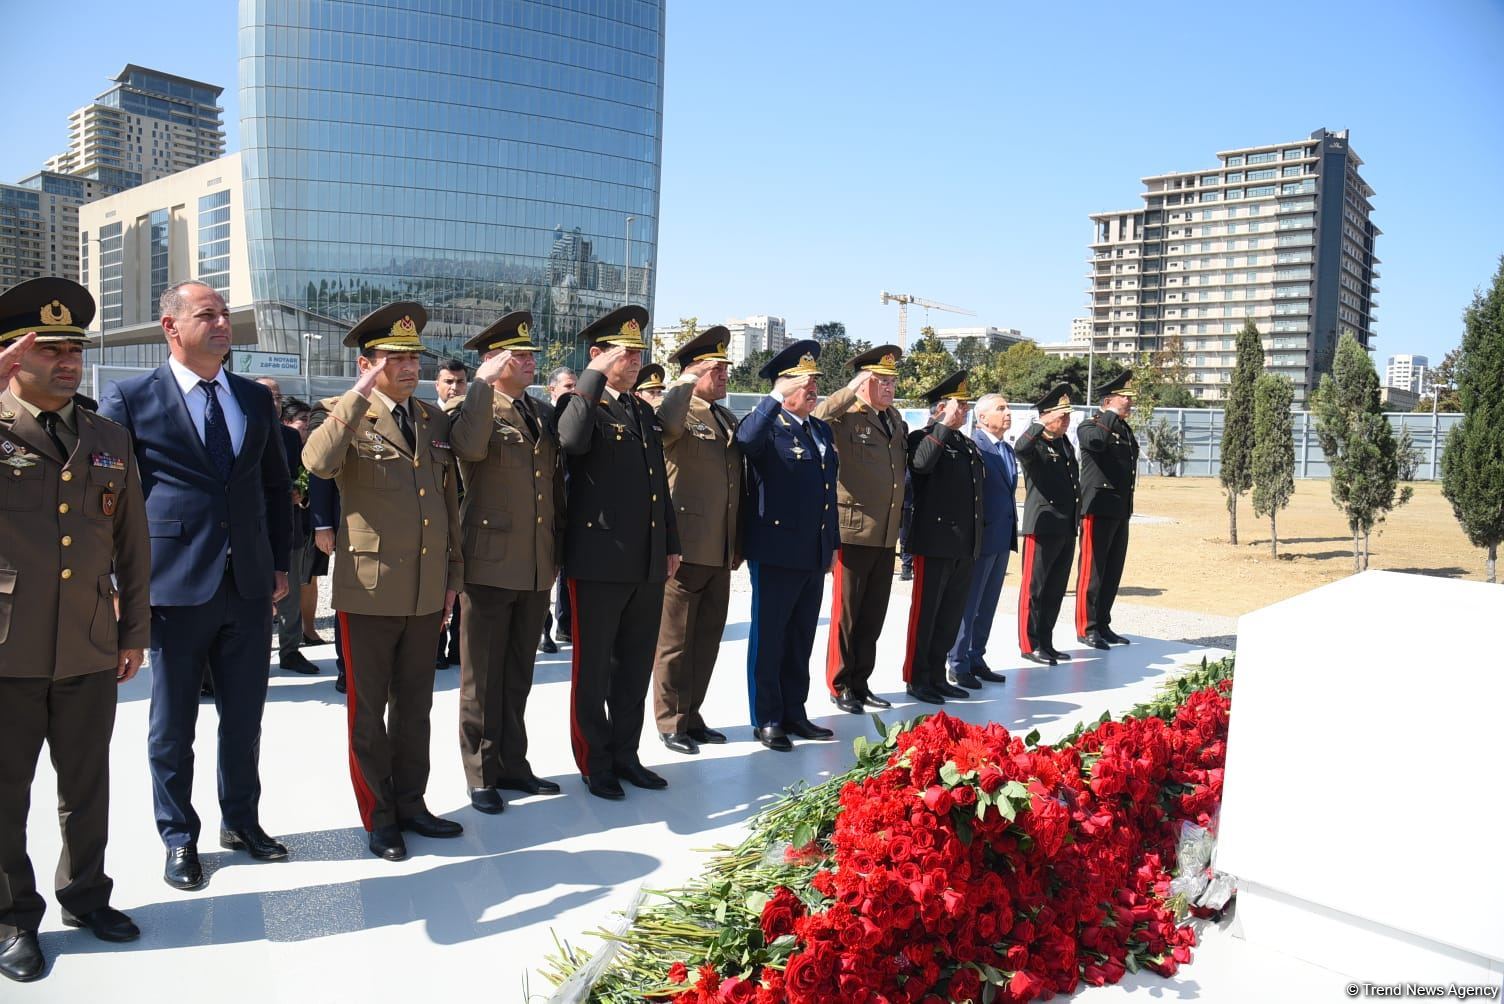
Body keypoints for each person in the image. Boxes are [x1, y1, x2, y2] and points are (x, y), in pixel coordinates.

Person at [98, 279, 292, 892]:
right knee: (173, 721)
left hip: (249, 583)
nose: (221, 324)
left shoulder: (252, 400)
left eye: (224, 315)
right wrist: (117, 580)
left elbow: (272, 487)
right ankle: (179, 836)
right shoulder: (130, 398)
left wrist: (279, 563)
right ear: (170, 327)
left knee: (245, 715)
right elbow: (108, 499)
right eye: (206, 315)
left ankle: (241, 821)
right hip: (174, 584)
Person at [0, 280, 150, 982]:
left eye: (75, 349)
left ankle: (85, 896)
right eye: (50, 349)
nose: (67, 361)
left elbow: (132, 545)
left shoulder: (107, 434)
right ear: (13, 354)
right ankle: (11, 920)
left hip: (90, 641)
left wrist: (134, 634)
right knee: (5, 795)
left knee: (86, 786)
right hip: (7, 648)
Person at [302, 302, 465, 861]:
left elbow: (447, 503)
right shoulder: (342, 414)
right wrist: (357, 395)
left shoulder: (430, 419)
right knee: (368, 709)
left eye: (414, 355)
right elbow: (318, 463)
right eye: (395, 357)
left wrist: (453, 577)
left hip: (424, 588)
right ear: (368, 363)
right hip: (368, 590)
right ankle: (379, 814)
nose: (409, 365)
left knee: (416, 704)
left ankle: (412, 802)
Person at [556, 305, 680, 800]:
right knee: (593, 670)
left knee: (633, 666)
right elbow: (571, 441)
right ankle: (596, 760)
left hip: (645, 560)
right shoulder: (578, 403)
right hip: (599, 560)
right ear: (598, 356)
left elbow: (659, 487)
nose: (634, 362)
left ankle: (627, 754)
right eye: (625, 354)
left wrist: (670, 543)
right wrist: (592, 377)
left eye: (636, 353)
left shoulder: (640, 410)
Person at [447, 311, 564, 811]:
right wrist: (479, 385)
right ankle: (480, 773)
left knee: (518, 671)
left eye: (531, 353)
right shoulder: (470, 407)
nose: (531, 360)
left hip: (535, 561)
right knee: (481, 676)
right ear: (494, 360)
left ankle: (513, 763)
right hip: (489, 561)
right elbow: (468, 450)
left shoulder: (537, 410)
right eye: (519, 354)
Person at [736, 340, 839, 752]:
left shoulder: (820, 430)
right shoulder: (767, 425)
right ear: (784, 386)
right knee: (770, 636)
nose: (812, 390)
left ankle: (795, 711)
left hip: (813, 551)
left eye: (815, 383)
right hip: (776, 550)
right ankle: (767, 717)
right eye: (803, 383)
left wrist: (830, 543)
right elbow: (745, 441)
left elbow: (827, 491)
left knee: (800, 638)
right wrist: (776, 395)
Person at [650, 327, 741, 756]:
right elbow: (666, 426)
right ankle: (670, 720)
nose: (724, 375)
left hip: (719, 547)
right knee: (675, 641)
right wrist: (684, 381)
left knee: (706, 638)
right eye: (715, 369)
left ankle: (693, 713)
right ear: (693, 371)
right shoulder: (678, 409)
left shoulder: (724, 417)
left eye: (725, 368)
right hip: (684, 547)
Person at [814, 344, 907, 714]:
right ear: (864, 381)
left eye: (892, 381)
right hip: (853, 530)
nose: (888, 387)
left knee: (872, 614)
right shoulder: (846, 415)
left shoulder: (895, 418)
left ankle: (861, 681)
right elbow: (818, 416)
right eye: (880, 380)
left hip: (885, 531)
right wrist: (852, 388)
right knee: (847, 614)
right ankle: (839, 684)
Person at [903, 373, 985, 704]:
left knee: (950, 615)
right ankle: (917, 677)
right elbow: (921, 465)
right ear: (941, 407)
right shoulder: (922, 437)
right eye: (959, 405)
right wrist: (943, 425)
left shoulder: (965, 444)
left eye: (965, 406)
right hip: (933, 543)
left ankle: (937, 675)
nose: (964, 411)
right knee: (926, 615)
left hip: (962, 544)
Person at [947, 393, 1017, 686]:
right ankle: (958, 662)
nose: (1008, 412)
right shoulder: (975, 446)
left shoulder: (1006, 449)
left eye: (1008, 407)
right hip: (981, 537)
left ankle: (976, 656)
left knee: (988, 603)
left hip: (1002, 536)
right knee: (970, 603)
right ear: (982, 417)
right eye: (1001, 408)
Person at [1013, 384, 1080, 667]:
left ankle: (1047, 641)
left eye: (1067, 415)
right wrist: (1040, 423)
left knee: (1055, 589)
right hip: (1041, 526)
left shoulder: (1063, 443)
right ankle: (1030, 644)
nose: (1066, 420)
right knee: (1035, 589)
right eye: (1060, 415)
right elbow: (1020, 447)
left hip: (1065, 526)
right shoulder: (1036, 442)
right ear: (1046, 415)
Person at [259, 380, 319, 675]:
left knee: (291, 591)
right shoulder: (241, 430)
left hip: (287, 526)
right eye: (267, 395)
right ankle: (255, 652)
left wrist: (301, 493)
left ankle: (290, 650)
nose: (274, 400)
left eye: (277, 396)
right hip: (251, 529)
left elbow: (301, 474)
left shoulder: (290, 437)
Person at [1075, 370, 1138, 649]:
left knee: (1112, 570)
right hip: (1096, 508)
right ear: (1110, 400)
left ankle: (1102, 623)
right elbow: (1096, 443)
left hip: (1119, 509)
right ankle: (1086, 626)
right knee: (1093, 570)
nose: (1130, 402)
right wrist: (1110, 414)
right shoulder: (1092, 425)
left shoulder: (1123, 428)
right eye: (1125, 397)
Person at [434, 358, 469, 670]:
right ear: (437, 384)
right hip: (437, 516)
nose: (455, 388)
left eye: (460, 382)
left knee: (463, 585)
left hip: (467, 515)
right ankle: (435, 648)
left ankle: (459, 646)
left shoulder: (472, 418)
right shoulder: (428, 418)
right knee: (437, 580)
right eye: (449, 382)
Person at [540, 365, 577, 651]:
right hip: (546, 505)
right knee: (544, 570)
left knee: (566, 570)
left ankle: (565, 625)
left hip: (572, 504)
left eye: (575, 385)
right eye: (567, 387)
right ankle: (544, 630)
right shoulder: (542, 416)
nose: (572, 391)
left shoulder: (579, 418)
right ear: (552, 389)